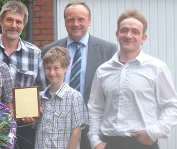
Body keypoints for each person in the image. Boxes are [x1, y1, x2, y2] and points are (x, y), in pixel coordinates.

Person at [88, 8, 177, 149]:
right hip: (110, 143)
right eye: (124, 30)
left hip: (143, 143)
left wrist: (154, 133)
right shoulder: (103, 70)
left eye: (135, 32)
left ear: (143, 38)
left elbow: (171, 106)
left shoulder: (157, 68)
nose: (128, 35)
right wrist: (95, 141)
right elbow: (95, 108)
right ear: (117, 35)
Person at [42, 2, 117, 148]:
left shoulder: (108, 50)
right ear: (65, 22)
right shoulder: (49, 49)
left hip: (94, 128)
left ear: (89, 20)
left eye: (81, 19)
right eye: (70, 19)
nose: (76, 24)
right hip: (58, 129)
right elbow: (44, 85)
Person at [0, 1, 46, 148]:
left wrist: (36, 110)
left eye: (18, 22)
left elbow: (43, 90)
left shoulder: (35, 54)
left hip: (23, 127)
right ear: (0, 21)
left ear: (23, 25)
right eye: (9, 20)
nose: (14, 25)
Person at [35, 46, 88, 149]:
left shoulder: (74, 97)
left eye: (56, 68)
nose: (52, 73)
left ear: (66, 68)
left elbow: (76, 133)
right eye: (48, 68)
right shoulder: (40, 98)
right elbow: (35, 126)